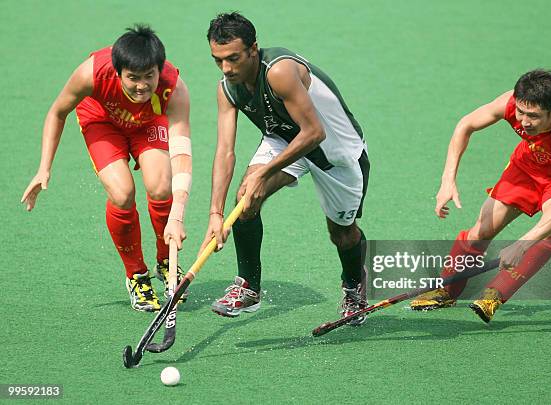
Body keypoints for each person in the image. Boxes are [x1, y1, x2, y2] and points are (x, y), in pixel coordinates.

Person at [201, 12, 370, 324]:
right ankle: (248, 288)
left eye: (233, 58)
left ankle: (354, 286)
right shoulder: (227, 88)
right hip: (283, 138)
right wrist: (215, 212)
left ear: (253, 48)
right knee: (246, 197)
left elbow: (314, 132)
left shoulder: (279, 72)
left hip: (334, 151)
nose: (226, 68)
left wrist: (263, 173)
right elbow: (225, 151)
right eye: (218, 60)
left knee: (342, 233)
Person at [21, 25, 193, 312]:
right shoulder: (91, 73)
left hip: (148, 122)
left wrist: (179, 212)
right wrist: (44, 168)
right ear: (117, 72)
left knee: (162, 186)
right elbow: (57, 112)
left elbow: (182, 153)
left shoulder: (174, 88)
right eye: (133, 78)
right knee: (122, 193)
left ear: (159, 69)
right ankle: (137, 275)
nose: (142, 85)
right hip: (102, 120)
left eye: (149, 76)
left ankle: (167, 262)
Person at [410, 69, 551, 322]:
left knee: (550, 224)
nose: (524, 122)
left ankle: (494, 295)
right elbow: (465, 125)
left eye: (533, 117)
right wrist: (447, 180)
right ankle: (447, 291)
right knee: (481, 230)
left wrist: (521, 245)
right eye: (521, 113)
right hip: (528, 165)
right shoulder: (511, 102)